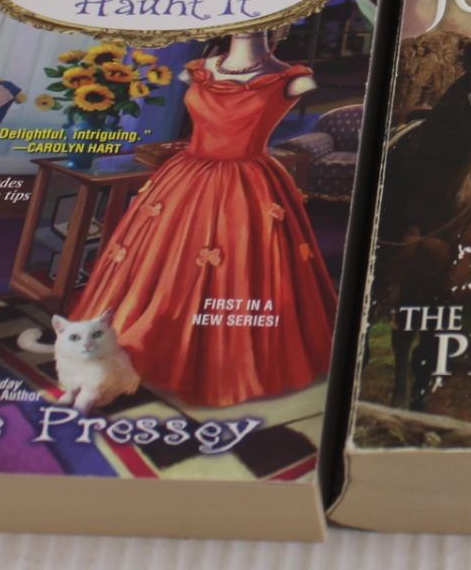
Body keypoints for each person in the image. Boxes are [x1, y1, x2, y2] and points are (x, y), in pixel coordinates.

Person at [73, 28, 337, 408]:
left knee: (239, 270)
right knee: (161, 265)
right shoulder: (195, 70)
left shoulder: (293, 78)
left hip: (248, 184)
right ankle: (136, 352)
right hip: (186, 176)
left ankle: (218, 365)